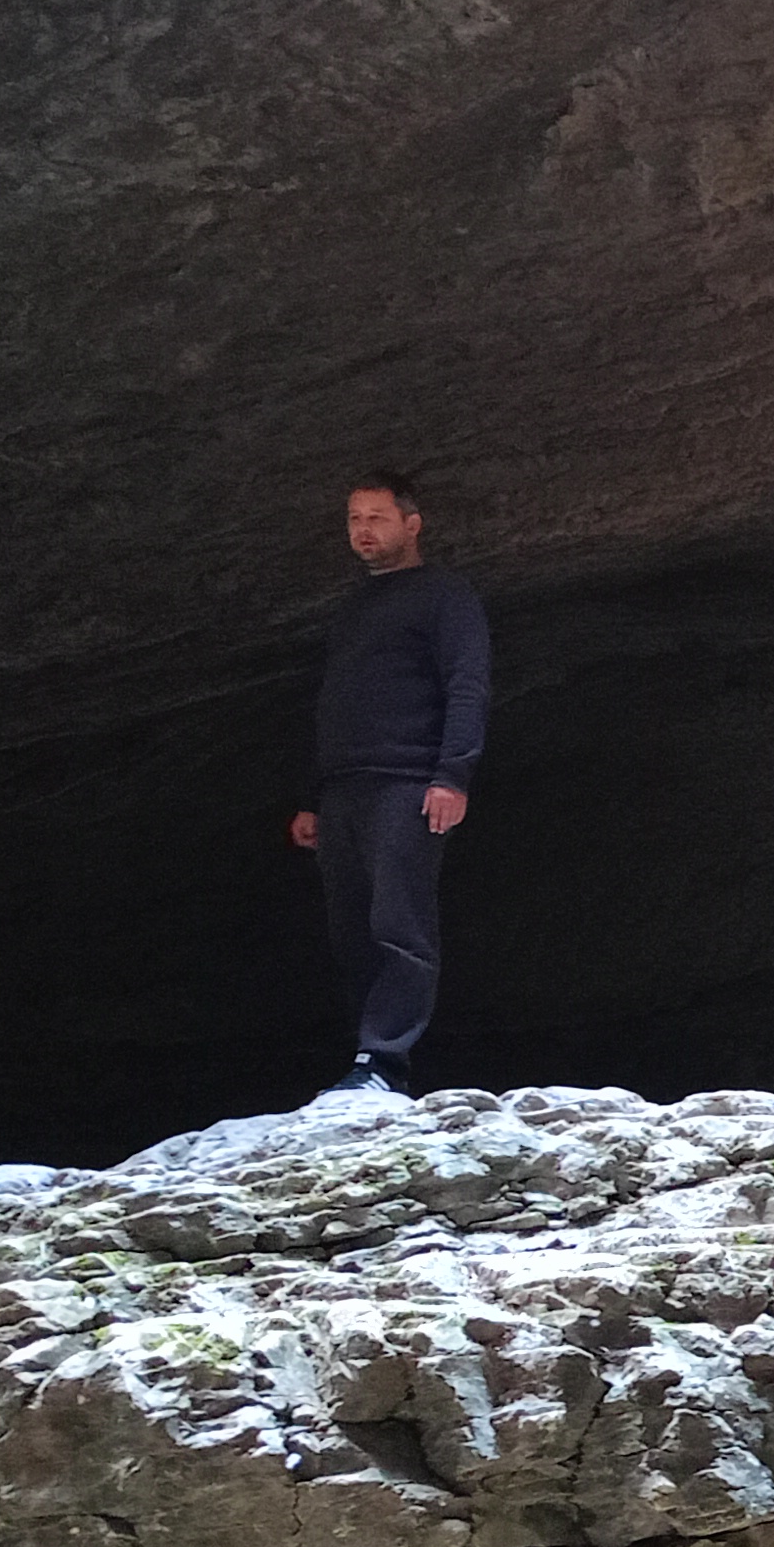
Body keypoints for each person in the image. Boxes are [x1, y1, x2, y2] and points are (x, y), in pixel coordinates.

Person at [292, 471, 490, 1101]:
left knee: (398, 924)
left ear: (412, 523)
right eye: (354, 519)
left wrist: (452, 773)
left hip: (408, 784)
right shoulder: (353, 606)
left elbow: (467, 683)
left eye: (376, 517)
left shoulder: (443, 595)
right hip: (343, 790)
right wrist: (311, 793)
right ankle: (364, 1056)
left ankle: (385, 1060)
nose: (363, 531)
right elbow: (333, 701)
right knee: (350, 930)